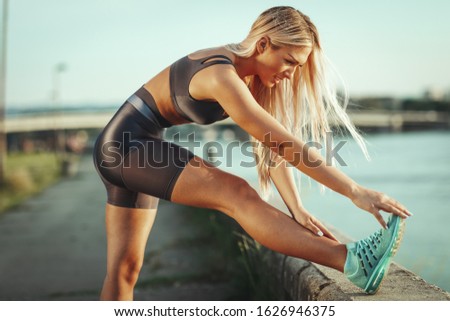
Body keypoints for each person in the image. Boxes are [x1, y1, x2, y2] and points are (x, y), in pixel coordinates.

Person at [93, 6, 411, 300]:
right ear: (262, 45)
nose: (290, 74)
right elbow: (282, 144)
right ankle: (353, 261)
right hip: (124, 147)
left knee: (124, 272)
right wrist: (355, 191)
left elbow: (267, 147)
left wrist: (296, 207)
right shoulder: (221, 76)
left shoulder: (250, 77)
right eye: (289, 62)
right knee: (237, 193)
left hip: (133, 146)